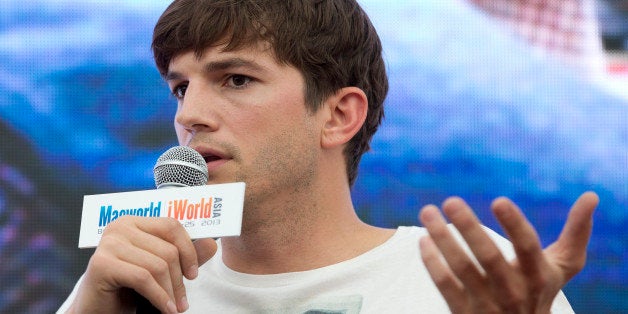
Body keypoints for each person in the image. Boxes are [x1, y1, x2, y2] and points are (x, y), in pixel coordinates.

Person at [58, 0, 599, 313]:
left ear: (339, 115)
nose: (189, 114)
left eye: (236, 79)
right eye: (180, 88)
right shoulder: (130, 285)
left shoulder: (464, 281)